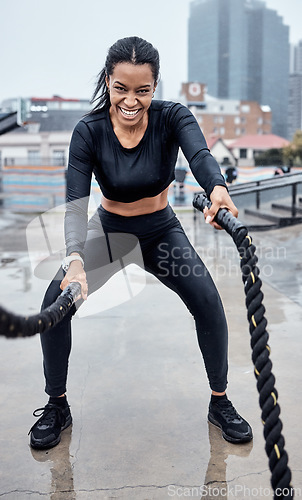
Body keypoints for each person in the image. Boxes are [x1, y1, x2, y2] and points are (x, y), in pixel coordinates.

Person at [29, 36, 253, 449]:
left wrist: (217, 187)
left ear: (155, 87)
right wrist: (75, 258)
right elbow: (76, 204)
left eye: (142, 90)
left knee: (207, 299)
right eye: (121, 88)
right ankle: (56, 404)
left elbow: (200, 154)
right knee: (53, 305)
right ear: (109, 83)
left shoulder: (173, 117)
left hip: (160, 231)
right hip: (109, 233)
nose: (131, 100)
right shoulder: (88, 131)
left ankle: (219, 402)